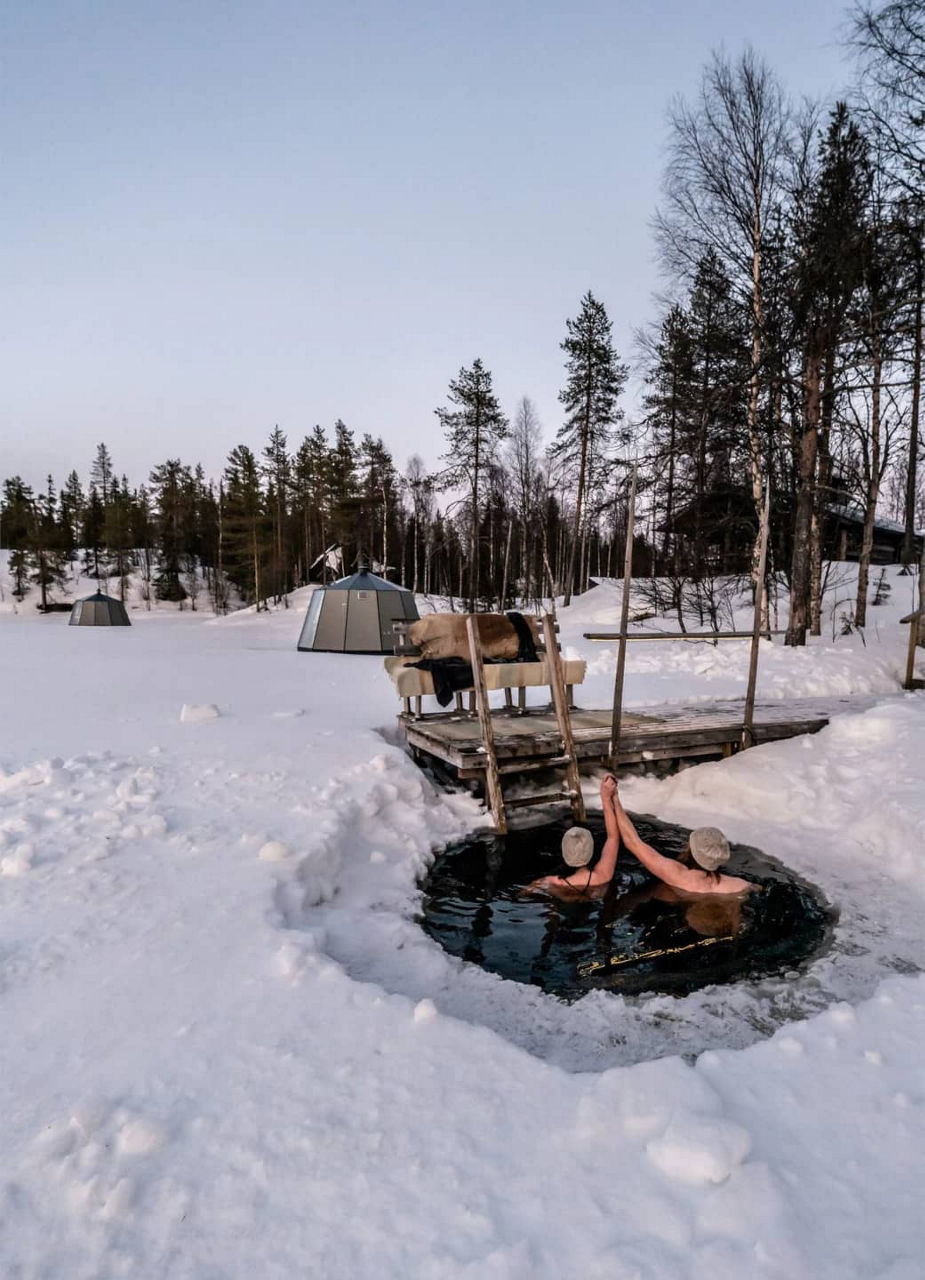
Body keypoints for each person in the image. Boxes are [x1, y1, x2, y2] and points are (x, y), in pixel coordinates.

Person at [605, 775, 751, 897]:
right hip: (716, 911)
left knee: (663, 893)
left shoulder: (678, 875)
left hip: (686, 906)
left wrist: (615, 798)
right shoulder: (739, 885)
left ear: (692, 851)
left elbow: (633, 842)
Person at [525, 776, 622, 895]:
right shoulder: (602, 876)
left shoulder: (551, 883)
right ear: (591, 850)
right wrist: (606, 798)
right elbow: (613, 838)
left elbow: (521, 896)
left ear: (563, 852)